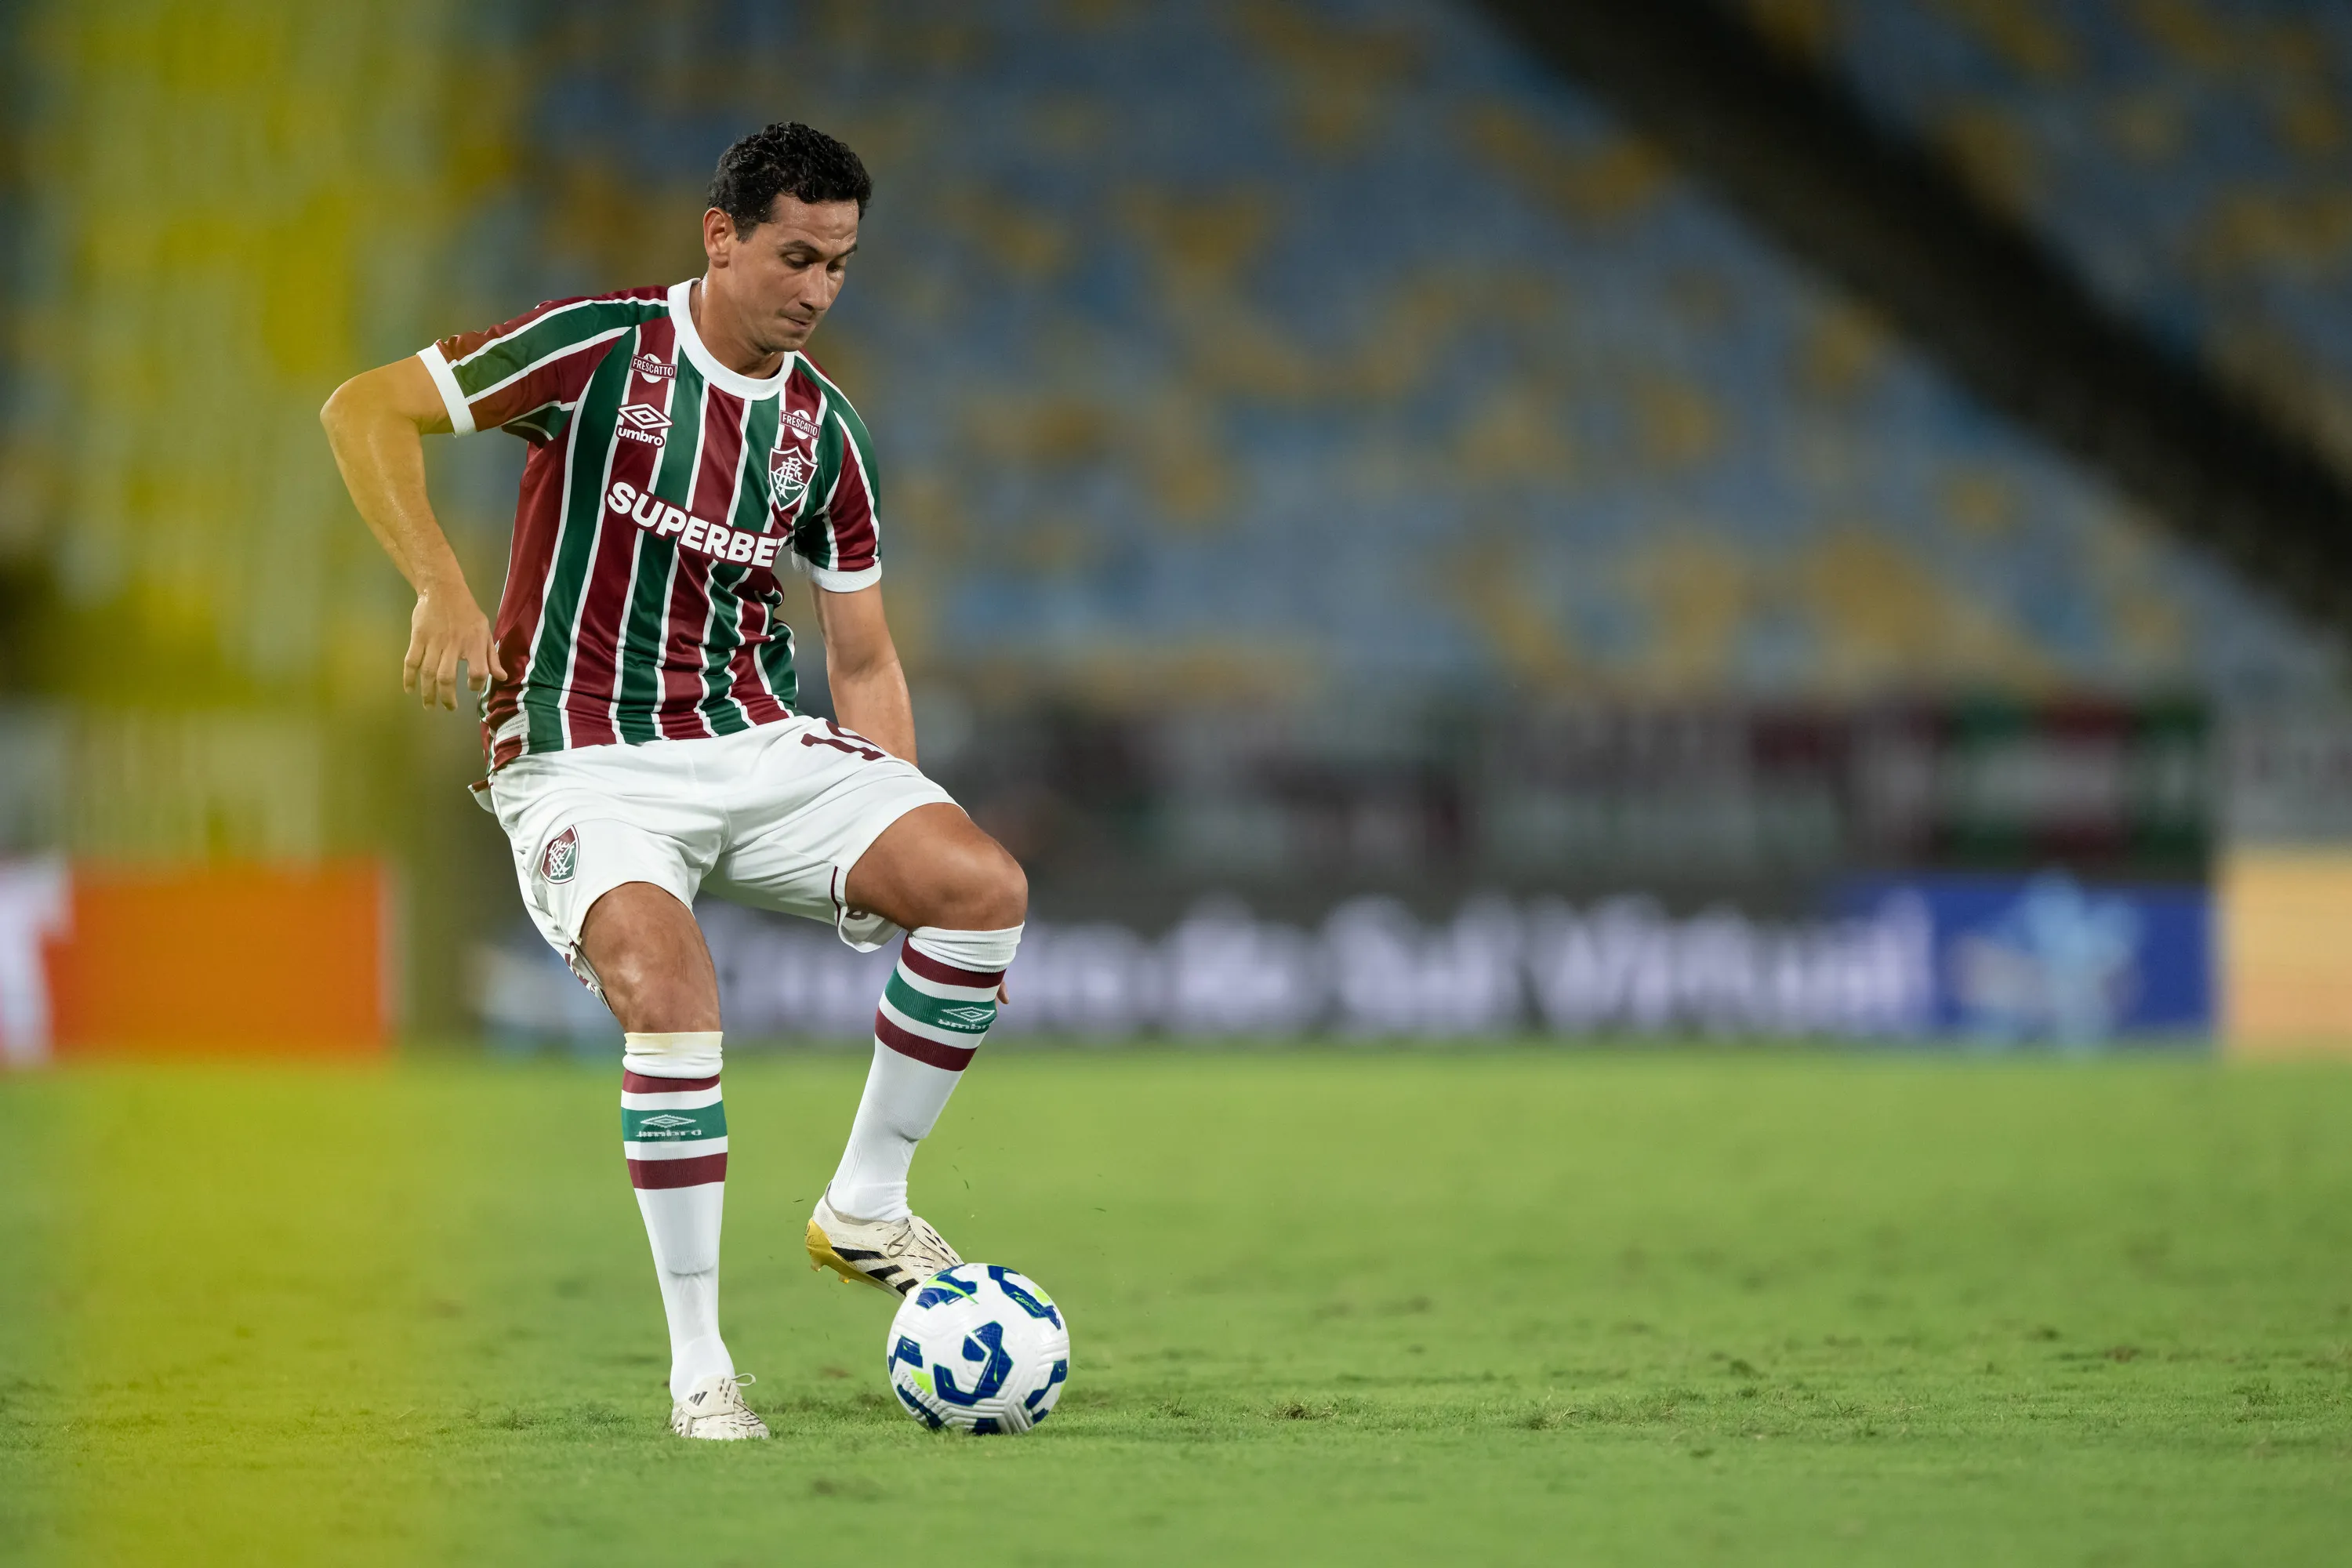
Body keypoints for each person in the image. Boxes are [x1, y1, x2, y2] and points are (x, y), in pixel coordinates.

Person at [319, 122, 1025, 1441]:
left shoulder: (824, 434)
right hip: (580, 758)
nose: (817, 291)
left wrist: (891, 810)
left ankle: (865, 1205)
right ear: (722, 236)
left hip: (751, 743)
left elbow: (861, 656)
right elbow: (363, 408)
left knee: (980, 888)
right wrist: (439, 585)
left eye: (841, 266)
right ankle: (701, 1365)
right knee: (670, 984)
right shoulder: (601, 350)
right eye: (795, 257)